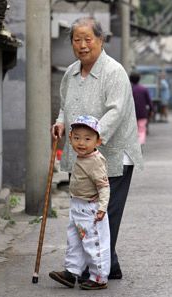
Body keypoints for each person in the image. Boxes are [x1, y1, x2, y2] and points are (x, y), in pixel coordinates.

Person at [51, 17, 143, 280]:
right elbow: (64, 106)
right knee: (83, 212)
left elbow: (115, 112)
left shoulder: (113, 72)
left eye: (88, 39)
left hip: (112, 156)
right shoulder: (70, 73)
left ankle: (93, 268)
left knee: (103, 212)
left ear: (101, 41)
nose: (82, 45)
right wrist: (59, 123)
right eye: (76, 40)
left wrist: (91, 139)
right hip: (80, 155)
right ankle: (105, 266)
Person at [49, 115, 111, 290]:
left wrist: (102, 207)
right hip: (77, 205)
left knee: (94, 243)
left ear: (98, 141)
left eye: (87, 138)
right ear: (70, 139)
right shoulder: (83, 157)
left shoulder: (96, 161)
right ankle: (71, 272)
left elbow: (104, 187)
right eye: (76, 138)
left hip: (91, 208)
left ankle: (99, 277)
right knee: (74, 241)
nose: (81, 143)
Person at [130, 71, 153, 147]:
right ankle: (141, 143)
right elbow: (149, 101)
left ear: (130, 79)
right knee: (142, 129)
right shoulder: (144, 89)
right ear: (139, 79)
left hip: (132, 114)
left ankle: (134, 144)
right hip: (142, 113)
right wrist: (151, 110)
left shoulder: (129, 89)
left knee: (133, 130)